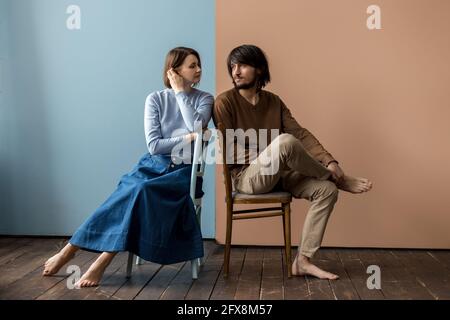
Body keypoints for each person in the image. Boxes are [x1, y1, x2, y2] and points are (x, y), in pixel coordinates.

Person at [42, 47, 214, 287]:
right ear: (174, 71)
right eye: (192, 65)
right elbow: (155, 146)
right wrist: (188, 139)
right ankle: (70, 249)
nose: (199, 70)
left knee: (141, 192)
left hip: (183, 173)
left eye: (199, 64)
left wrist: (179, 94)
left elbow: (195, 125)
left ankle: (100, 260)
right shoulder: (154, 99)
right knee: (127, 192)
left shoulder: (205, 98)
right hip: (153, 165)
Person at [213, 44, 373, 280]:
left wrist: (329, 160)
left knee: (326, 191)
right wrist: (271, 153)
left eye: (243, 65)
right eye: (233, 66)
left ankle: (303, 261)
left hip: (281, 174)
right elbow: (226, 149)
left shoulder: (274, 101)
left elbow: (301, 134)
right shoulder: (224, 102)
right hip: (248, 178)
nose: (235, 71)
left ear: (259, 69)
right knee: (285, 142)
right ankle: (338, 179)